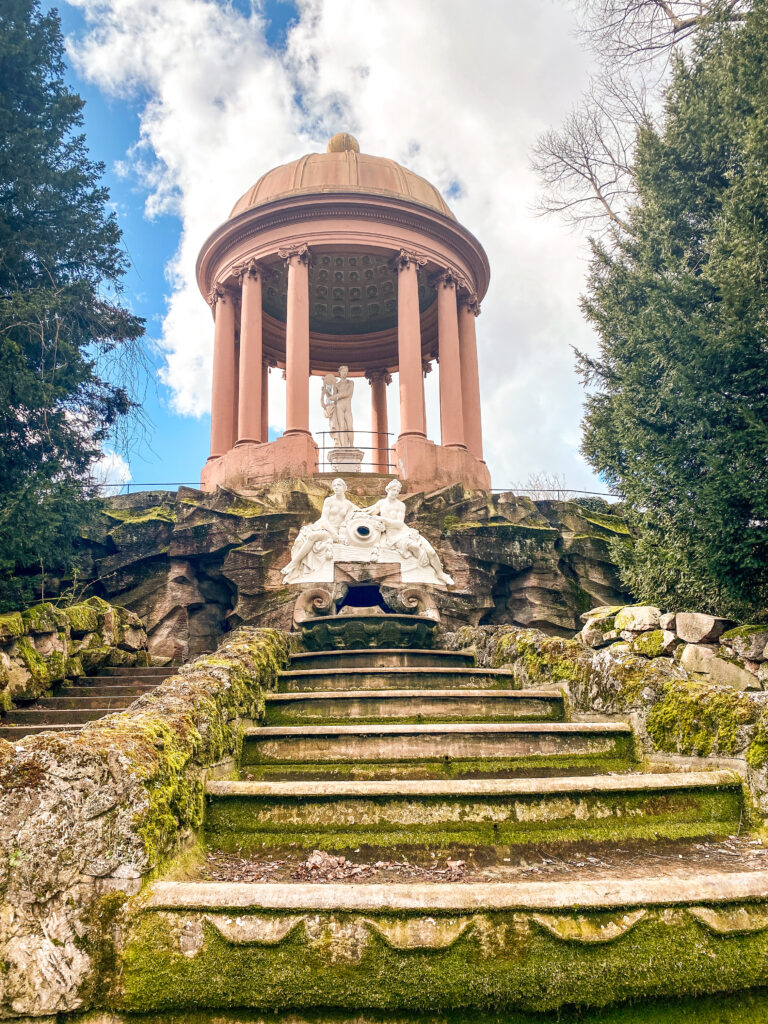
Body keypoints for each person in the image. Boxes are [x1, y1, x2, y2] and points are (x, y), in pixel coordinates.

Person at [357, 479, 454, 585]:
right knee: (415, 547)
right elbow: (369, 512)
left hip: (405, 531)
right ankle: (423, 567)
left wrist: (383, 520)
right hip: (393, 536)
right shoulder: (381, 503)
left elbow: (399, 523)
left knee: (431, 551)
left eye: (398, 491)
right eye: (393, 490)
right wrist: (357, 512)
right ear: (388, 489)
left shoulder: (400, 505)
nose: (395, 493)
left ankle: (440, 573)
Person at [280, 478, 356, 580]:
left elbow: (365, 512)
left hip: (335, 531)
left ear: (344, 488)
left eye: (339, 485)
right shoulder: (329, 501)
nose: (336, 487)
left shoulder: (349, 504)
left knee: (312, 536)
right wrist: (334, 534)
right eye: (334, 485)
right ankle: (294, 564)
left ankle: (293, 564)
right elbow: (324, 519)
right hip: (324, 527)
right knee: (303, 537)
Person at [333, 365, 354, 447]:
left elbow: (349, 393)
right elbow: (333, 397)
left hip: (347, 406)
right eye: (343, 371)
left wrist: (337, 395)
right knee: (341, 426)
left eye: (346, 371)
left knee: (350, 426)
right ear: (339, 372)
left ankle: (351, 445)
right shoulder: (336, 385)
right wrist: (325, 391)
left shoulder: (351, 383)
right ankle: (342, 446)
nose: (345, 373)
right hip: (339, 406)